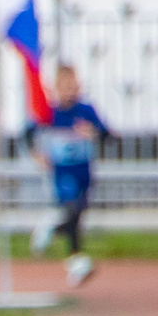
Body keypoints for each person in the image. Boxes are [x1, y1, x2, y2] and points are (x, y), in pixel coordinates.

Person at [25, 61, 114, 288]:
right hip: (62, 173)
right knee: (71, 208)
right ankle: (72, 255)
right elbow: (27, 132)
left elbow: (108, 134)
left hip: (83, 171)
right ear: (56, 87)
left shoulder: (85, 111)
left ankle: (67, 249)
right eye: (66, 86)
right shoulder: (49, 113)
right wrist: (37, 154)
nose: (71, 91)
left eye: (74, 86)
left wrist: (93, 132)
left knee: (77, 216)